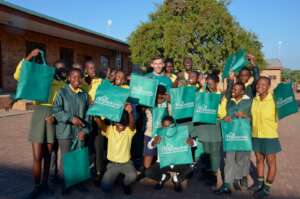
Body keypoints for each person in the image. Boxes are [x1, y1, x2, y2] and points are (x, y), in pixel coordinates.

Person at [13, 49, 67, 199]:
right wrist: (30, 56)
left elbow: (65, 105)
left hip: (52, 117)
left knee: (48, 156)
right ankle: (37, 187)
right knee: (37, 156)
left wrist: (56, 116)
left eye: (63, 69)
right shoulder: (42, 76)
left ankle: (45, 185)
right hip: (38, 114)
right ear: (52, 68)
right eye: (59, 68)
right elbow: (18, 75)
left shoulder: (63, 85)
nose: (61, 71)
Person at [52, 68, 90, 192]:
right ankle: (65, 184)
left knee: (78, 157)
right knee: (66, 158)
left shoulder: (84, 95)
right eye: (74, 77)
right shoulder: (62, 92)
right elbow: (56, 110)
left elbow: (88, 115)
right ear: (68, 78)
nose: (77, 80)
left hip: (79, 132)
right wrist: (70, 118)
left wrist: (84, 131)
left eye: (79, 77)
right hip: (65, 131)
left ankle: (78, 182)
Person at [215, 82, 252, 194]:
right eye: (233, 89)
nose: (233, 91)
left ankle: (238, 178)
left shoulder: (249, 102)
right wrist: (227, 118)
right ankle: (227, 184)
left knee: (241, 159)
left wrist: (245, 116)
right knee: (229, 160)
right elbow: (226, 114)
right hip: (231, 135)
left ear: (242, 92)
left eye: (236, 90)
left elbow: (255, 117)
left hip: (243, 136)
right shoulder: (229, 102)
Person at [145, 116, 196, 192]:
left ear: (174, 125)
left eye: (170, 126)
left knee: (191, 168)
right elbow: (149, 146)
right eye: (165, 126)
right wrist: (154, 142)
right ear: (162, 126)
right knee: (148, 172)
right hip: (163, 163)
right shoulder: (159, 135)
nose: (168, 128)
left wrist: (191, 142)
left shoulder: (181, 133)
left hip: (179, 163)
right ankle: (163, 177)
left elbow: (194, 144)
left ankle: (176, 180)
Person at [94, 103, 137, 195]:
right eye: (119, 123)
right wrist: (96, 112)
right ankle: (111, 176)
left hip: (126, 163)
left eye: (124, 124)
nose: (121, 126)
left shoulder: (128, 131)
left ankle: (125, 184)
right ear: (116, 122)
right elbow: (100, 124)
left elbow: (132, 124)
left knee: (133, 176)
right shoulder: (110, 130)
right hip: (112, 165)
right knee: (105, 188)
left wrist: (130, 112)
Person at [190, 72, 223, 189]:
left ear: (217, 83)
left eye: (211, 84)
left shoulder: (220, 95)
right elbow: (197, 99)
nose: (209, 86)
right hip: (204, 127)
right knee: (207, 152)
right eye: (207, 84)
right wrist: (203, 87)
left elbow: (221, 111)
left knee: (214, 153)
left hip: (215, 126)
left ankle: (214, 177)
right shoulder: (202, 91)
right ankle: (208, 173)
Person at [250, 77, 281, 199]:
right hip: (256, 135)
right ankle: (260, 184)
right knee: (259, 160)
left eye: (263, 84)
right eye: (258, 84)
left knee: (271, 162)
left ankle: (267, 188)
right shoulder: (255, 100)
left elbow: (286, 107)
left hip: (269, 136)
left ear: (268, 86)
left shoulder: (274, 100)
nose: (260, 86)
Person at [141, 85, 170, 174]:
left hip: (165, 136)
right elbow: (141, 109)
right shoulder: (149, 104)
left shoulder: (168, 104)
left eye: (162, 94)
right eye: (158, 94)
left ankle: (164, 174)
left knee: (164, 160)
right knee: (147, 164)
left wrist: (170, 100)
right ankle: (148, 172)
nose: (160, 96)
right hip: (150, 134)